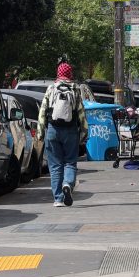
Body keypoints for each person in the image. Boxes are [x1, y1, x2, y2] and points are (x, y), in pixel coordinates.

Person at [37, 61, 88, 207]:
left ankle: (58, 199)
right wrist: (84, 132)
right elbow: (81, 112)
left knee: (55, 165)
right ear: (70, 73)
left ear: (58, 73)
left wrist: (40, 133)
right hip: (70, 130)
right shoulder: (75, 88)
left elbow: (42, 111)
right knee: (70, 162)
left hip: (53, 130)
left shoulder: (51, 88)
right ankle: (67, 184)